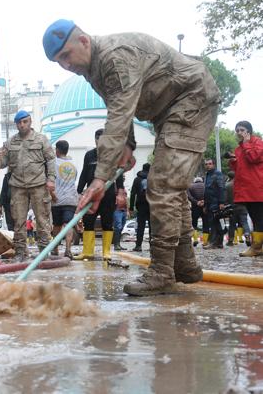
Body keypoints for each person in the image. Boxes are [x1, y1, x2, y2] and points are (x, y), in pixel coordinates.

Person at [43, 19, 220, 296]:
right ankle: (184, 263)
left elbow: (118, 116)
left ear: (84, 41)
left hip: (191, 99)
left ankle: (162, 271)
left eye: (66, 55)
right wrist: (129, 144)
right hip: (167, 111)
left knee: (162, 184)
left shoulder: (114, 57)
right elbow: (120, 106)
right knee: (172, 185)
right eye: (59, 61)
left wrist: (100, 178)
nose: (66, 65)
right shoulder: (93, 69)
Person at [0, 110, 55, 261]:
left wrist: (51, 179)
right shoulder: (10, 142)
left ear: (30, 122)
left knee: (42, 219)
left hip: (38, 185)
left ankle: (44, 252)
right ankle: (20, 252)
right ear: (16, 124)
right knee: (18, 220)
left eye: (25, 122)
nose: (22, 125)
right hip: (17, 186)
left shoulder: (41, 139)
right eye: (19, 123)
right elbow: (3, 164)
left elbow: (50, 159)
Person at [77, 128, 123, 260]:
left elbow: (119, 175)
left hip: (108, 194)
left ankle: (106, 252)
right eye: (97, 140)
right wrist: (79, 191)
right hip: (91, 194)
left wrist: (120, 192)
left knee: (107, 223)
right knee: (88, 222)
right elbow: (84, 173)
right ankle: (87, 252)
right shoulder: (89, 155)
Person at [229, 120, 263, 257]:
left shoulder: (257, 142)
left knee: (258, 217)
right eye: (237, 130)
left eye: (242, 130)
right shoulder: (239, 148)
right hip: (246, 189)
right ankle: (258, 247)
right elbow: (238, 170)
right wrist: (233, 161)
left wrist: (247, 144)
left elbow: (254, 157)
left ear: (249, 131)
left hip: (256, 188)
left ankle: (257, 247)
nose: (239, 132)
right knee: (255, 218)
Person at [50, 140, 78, 258]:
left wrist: (52, 195)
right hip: (71, 199)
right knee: (68, 224)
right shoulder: (73, 164)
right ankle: (68, 250)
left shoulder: (54, 163)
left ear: (57, 150)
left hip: (57, 199)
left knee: (57, 225)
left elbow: (49, 180)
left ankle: (55, 249)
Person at [202, 158, 226, 249]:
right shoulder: (207, 175)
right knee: (215, 222)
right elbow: (206, 190)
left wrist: (221, 202)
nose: (208, 165)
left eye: (210, 164)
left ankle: (213, 242)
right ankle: (219, 242)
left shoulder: (217, 174)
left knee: (214, 222)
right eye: (206, 164)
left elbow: (221, 188)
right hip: (209, 203)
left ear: (213, 164)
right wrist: (205, 205)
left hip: (216, 202)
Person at [129, 164, 150, 252]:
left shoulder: (137, 179)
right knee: (152, 227)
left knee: (140, 226)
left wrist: (131, 207)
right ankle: (152, 246)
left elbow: (133, 193)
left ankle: (138, 246)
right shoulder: (153, 179)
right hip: (152, 205)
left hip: (141, 205)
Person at [225, 171, 250, 247]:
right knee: (244, 222)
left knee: (232, 225)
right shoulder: (242, 184)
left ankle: (230, 241)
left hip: (232, 207)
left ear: (229, 177)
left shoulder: (227, 185)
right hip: (243, 206)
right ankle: (247, 235)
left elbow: (225, 198)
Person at [187, 176, 205, 246]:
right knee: (205, 223)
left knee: (194, 223)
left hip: (195, 207)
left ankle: (195, 239)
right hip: (204, 207)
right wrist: (204, 201)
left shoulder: (191, 186)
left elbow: (189, 196)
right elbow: (209, 194)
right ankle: (205, 241)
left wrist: (196, 202)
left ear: (195, 181)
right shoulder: (205, 185)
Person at [114, 184, 128, 251]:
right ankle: (116, 245)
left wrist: (127, 210)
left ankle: (118, 244)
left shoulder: (124, 188)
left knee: (121, 227)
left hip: (124, 210)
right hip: (117, 210)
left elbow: (126, 199)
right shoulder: (115, 187)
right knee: (118, 227)